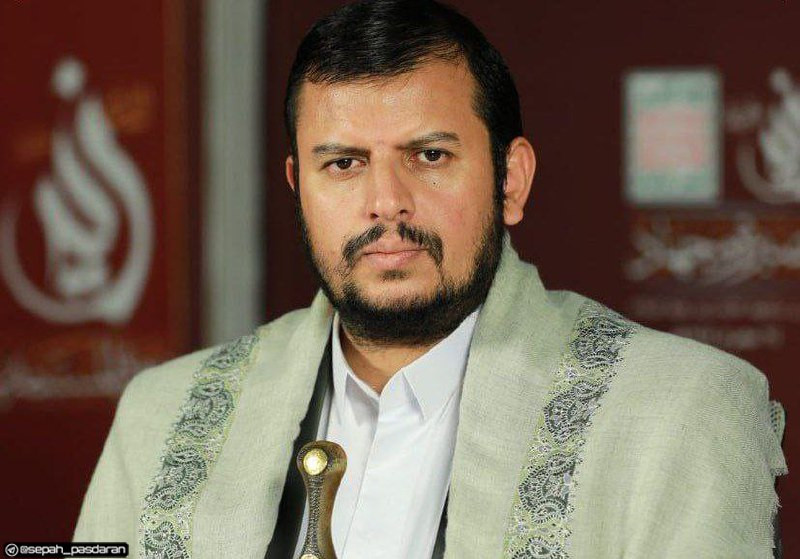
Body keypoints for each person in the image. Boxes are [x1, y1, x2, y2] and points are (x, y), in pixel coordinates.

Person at [73, 1, 788, 557]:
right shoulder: (159, 416)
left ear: (510, 179)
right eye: (344, 163)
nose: (386, 202)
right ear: (298, 188)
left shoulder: (679, 411)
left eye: (429, 155)